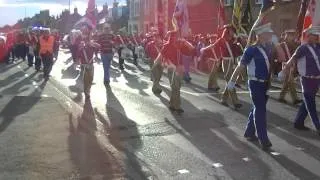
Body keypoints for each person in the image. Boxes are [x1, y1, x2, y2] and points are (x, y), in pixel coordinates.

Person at [227, 23, 277, 150]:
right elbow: (241, 66)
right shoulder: (251, 49)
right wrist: (232, 81)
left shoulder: (269, 47)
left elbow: (273, 63)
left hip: (265, 83)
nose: (270, 35)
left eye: (270, 34)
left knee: (257, 107)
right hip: (255, 83)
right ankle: (263, 139)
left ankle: (249, 132)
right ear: (259, 36)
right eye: (267, 34)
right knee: (261, 110)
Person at [280, 26, 320, 135]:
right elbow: (292, 59)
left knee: (307, 102)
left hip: (317, 79)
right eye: (314, 35)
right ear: (308, 36)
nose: (317, 37)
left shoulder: (318, 47)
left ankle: (298, 122)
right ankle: (318, 126)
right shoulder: (303, 48)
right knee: (311, 103)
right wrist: (284, 71)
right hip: (306, 79)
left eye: (317, 35)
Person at [277, 29, 302, 104]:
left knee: (287, 82)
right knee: (290, 81)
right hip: (284, 65)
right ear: (286, 36)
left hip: (292, 65)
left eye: (292, 35)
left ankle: (281, 97)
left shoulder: (295, 45)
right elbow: (278, 56)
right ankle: (295, 99)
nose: (291, 37)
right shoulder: (281, 45)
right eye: (289, 35)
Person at [77, 25, 100, 99]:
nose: (87, 31)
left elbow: (98, 48)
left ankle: (88, 90)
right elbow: (77, 50)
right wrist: (77, 59)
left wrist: (96, 46)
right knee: (85, 78)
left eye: (88, 30)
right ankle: (86, 91)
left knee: (91, 78)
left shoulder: (92, 41)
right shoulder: (80, 39)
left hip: (90, 62)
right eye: (85, 30)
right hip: (83, 62)